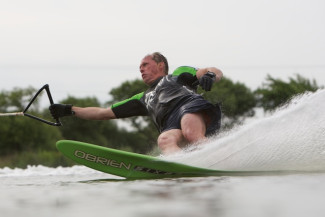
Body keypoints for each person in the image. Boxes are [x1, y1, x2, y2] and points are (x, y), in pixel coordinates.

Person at [49, 52, 223, 154]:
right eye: (140, 67)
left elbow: (211, 70)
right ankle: (185, 170)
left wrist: (210, 76)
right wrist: (69, 109)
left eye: (146, 64)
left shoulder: (178, 75)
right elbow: (102, 113)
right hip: (170, 124)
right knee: (164, 140)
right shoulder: (142, 98)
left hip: (189, 107)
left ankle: (221, 157)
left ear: (161, 65)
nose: (141, 69)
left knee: (190, 132)